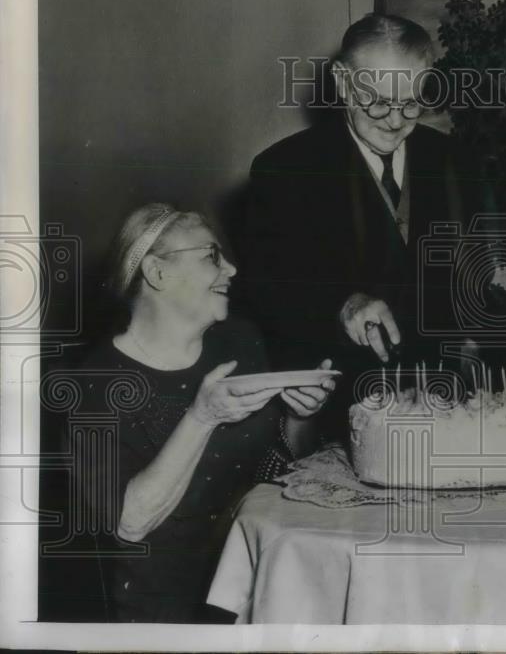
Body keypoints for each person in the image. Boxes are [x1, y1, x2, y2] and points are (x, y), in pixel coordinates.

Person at [77, 204, 336, 622]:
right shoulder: (95, 385)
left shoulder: (239, 340)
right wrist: (202, 415)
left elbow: (289, 464)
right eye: (211, 256)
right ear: (157, 273)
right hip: (163, 607)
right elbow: (130, 524)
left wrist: (302, 414)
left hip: (259, 582)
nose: (231, 269)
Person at [241, 13, 474, 382]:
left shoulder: (452, 159)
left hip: (440, 387)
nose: (396, 121)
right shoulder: (283, 170)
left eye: (412, 103)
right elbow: (267, 291)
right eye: (379, 102)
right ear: (344, 83)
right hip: (338, 391)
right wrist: (342, 304)